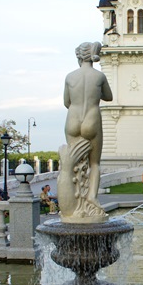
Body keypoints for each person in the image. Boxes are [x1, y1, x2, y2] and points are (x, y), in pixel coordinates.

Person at [57, 41, 114, 223]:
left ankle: (75, 204)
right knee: (94, 163)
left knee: (74, 162)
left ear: (79, 56)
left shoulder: (70, 76)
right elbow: (108, 96)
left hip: (72, 119)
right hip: (91, 117)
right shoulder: (99, 76)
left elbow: (67, 102)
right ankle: (91, 197)